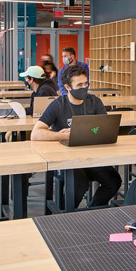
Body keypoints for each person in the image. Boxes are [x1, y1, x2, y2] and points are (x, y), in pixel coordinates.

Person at [30, 64, 121, 208]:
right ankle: (66, 215)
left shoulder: (94, 102)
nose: (84, 87)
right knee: (79, 185)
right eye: (79, 85)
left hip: (93, 158)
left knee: (114, 180)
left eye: (86, 83)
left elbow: (105, 127)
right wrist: (64, 136)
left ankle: (92, 209)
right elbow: (36, 133)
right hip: (69, 160)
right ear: (67, 87)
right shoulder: (58, 105)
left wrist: (90, 132)